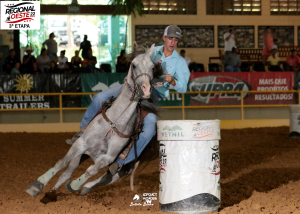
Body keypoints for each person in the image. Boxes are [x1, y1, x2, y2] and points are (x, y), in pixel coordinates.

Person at [66, 25, 190, 181]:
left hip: (152, 95)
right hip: (130, 88)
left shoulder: (179, 62)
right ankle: (82, 132)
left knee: (150, 127)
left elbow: (184, 88)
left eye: (176, 39)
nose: (172, 42)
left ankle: (121, 160)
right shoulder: (152, 52)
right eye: (170, 38)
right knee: (98, 98)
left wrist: (173, 81)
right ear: (164, 38)